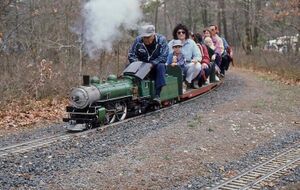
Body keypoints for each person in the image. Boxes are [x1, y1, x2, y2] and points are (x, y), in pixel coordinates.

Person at [128, 24, 169, 103]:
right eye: (144, 37)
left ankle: (157, 94)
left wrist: (152, 64)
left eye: (148, 37)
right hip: (141, 65)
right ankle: (133, 93)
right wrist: (137, 63)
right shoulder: (138, 41)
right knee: (128, 67)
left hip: (155, 66)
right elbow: (131, 55)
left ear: (153, 35)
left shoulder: (162, 40)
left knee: (161, 66)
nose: (146, 39)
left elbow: (164, 56)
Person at [168, 24, 202, 89]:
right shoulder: (171, 43)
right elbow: (166, 56)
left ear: (186, 33)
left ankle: (186, 82)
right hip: (174, 66)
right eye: (179, 32)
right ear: (176, 34)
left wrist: (196, 60)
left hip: (187, 66)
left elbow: (198, 55)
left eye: (183, 32)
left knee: (197, 66)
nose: (181, 34)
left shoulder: (191, 42)